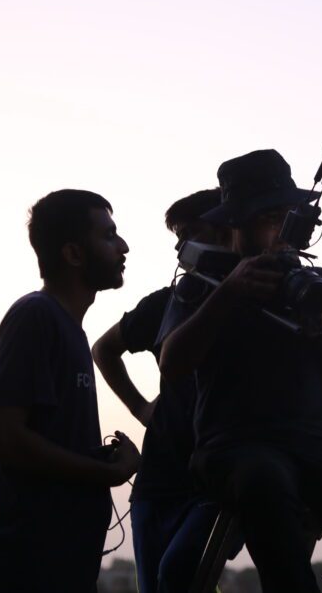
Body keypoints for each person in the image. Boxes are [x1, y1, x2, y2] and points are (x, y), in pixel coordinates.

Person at [160, 150, 322, 593]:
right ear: (237, 222)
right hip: (234, 439)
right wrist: (229, 293)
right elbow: (172, 364)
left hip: (314, 434)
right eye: (269, 216)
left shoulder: (317, 282)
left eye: (287, 216)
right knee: (265, 485)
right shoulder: (199, 285)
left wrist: (320, 322)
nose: (281, 228)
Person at [0, 189, 141, 593]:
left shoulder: (69, 330)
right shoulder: (35, 317)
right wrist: (107, 471)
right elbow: (2, 439)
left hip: (58, 566)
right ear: (74, 254)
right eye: (109, 236)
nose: (123, 246)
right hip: (20, 570)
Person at [92, 188, 231, 593]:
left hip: (216, 484)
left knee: (181, 576)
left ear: (226, 232)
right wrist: (140, 409)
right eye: (177, 238)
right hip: (157, 481)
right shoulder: (168, 303)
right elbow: (104, 350)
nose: (182, 247)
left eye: (191, 233)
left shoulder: (255, 301)